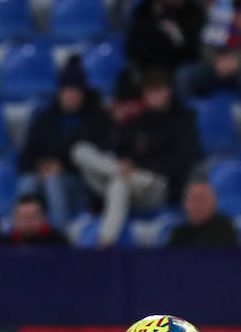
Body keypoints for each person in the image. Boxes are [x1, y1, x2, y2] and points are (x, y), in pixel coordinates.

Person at [72, 73, 200, 246]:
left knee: (119, 184)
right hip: (126, 177)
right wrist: (122, 165)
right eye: (149, 92)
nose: (154, 96)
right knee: (80, 150)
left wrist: (138, 167)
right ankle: (118, 172)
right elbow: (119, 149)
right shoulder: (138, 121)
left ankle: (105, 243)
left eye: (158, 90)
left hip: (156, 185)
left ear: (168, 91)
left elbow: (180, 163)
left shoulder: (182, 121)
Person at [16, 59, 112, 231]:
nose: (71, 95)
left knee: (54, 182)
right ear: (60, 92)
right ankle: (21, 237)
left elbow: (101, 161)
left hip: (81, 184)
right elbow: (26, 156)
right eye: (67, 90)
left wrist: (62, 168)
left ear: (83, 93)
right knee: (26, 182)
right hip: (43, 177)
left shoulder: (97, 120)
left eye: (76, 91)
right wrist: (40, 166)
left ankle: (58, 239)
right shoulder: (44, 119)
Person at [125, 0, 204, 74]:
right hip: (148, 66)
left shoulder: (192, 9)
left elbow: (194, 48)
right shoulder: (145, 7)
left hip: (177, 65)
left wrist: (177, 35)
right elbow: (134, 44)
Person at [166, 178, 239, 248]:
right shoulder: (179, 233)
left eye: (201, 199)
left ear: (213, 203)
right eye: (193, 199)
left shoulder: (225, 230)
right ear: (185, 204)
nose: (197, 205)